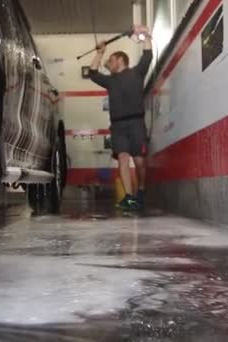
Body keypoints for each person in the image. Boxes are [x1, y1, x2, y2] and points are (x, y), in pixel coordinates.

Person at [88, 25, 153, 211]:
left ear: (121, 60)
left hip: (136, 124)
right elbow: (92, 73)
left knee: (139, 160)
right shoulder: (110, 81)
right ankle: (130, 198)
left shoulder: (137, 73)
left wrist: (146, 36)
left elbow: (148, 55)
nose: (108, 63)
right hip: (118, 127)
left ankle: (140, 190)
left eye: (111, 60)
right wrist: (101, 52)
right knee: (123, 158)